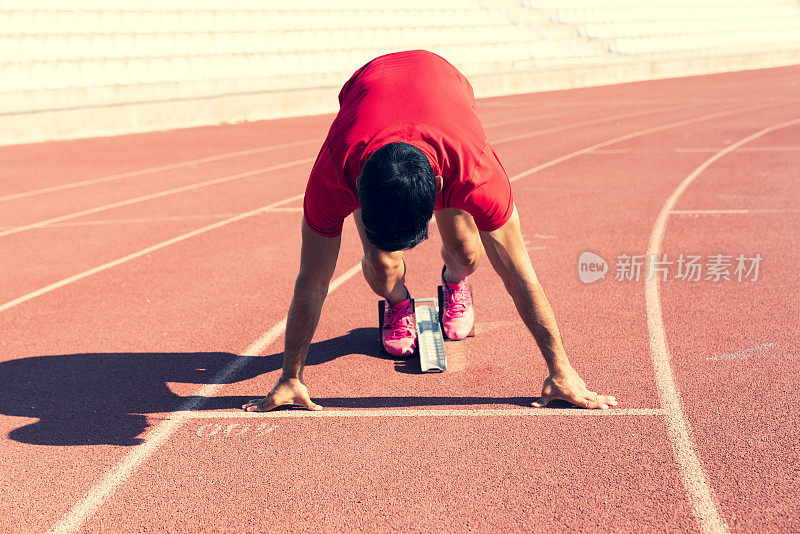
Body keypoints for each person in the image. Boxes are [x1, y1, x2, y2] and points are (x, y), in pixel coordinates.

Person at [242, 50, 617, 412]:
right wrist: (290, 376)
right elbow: (312, 280)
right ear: (358, 193)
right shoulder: (335, 174)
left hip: (443, 86)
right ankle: (398, 303)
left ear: (439, 189)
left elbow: (521, 276)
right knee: (381, 260)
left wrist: (561, 370)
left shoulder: (475, 173)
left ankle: (454, 282)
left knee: (467, 251)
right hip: (367, 88)